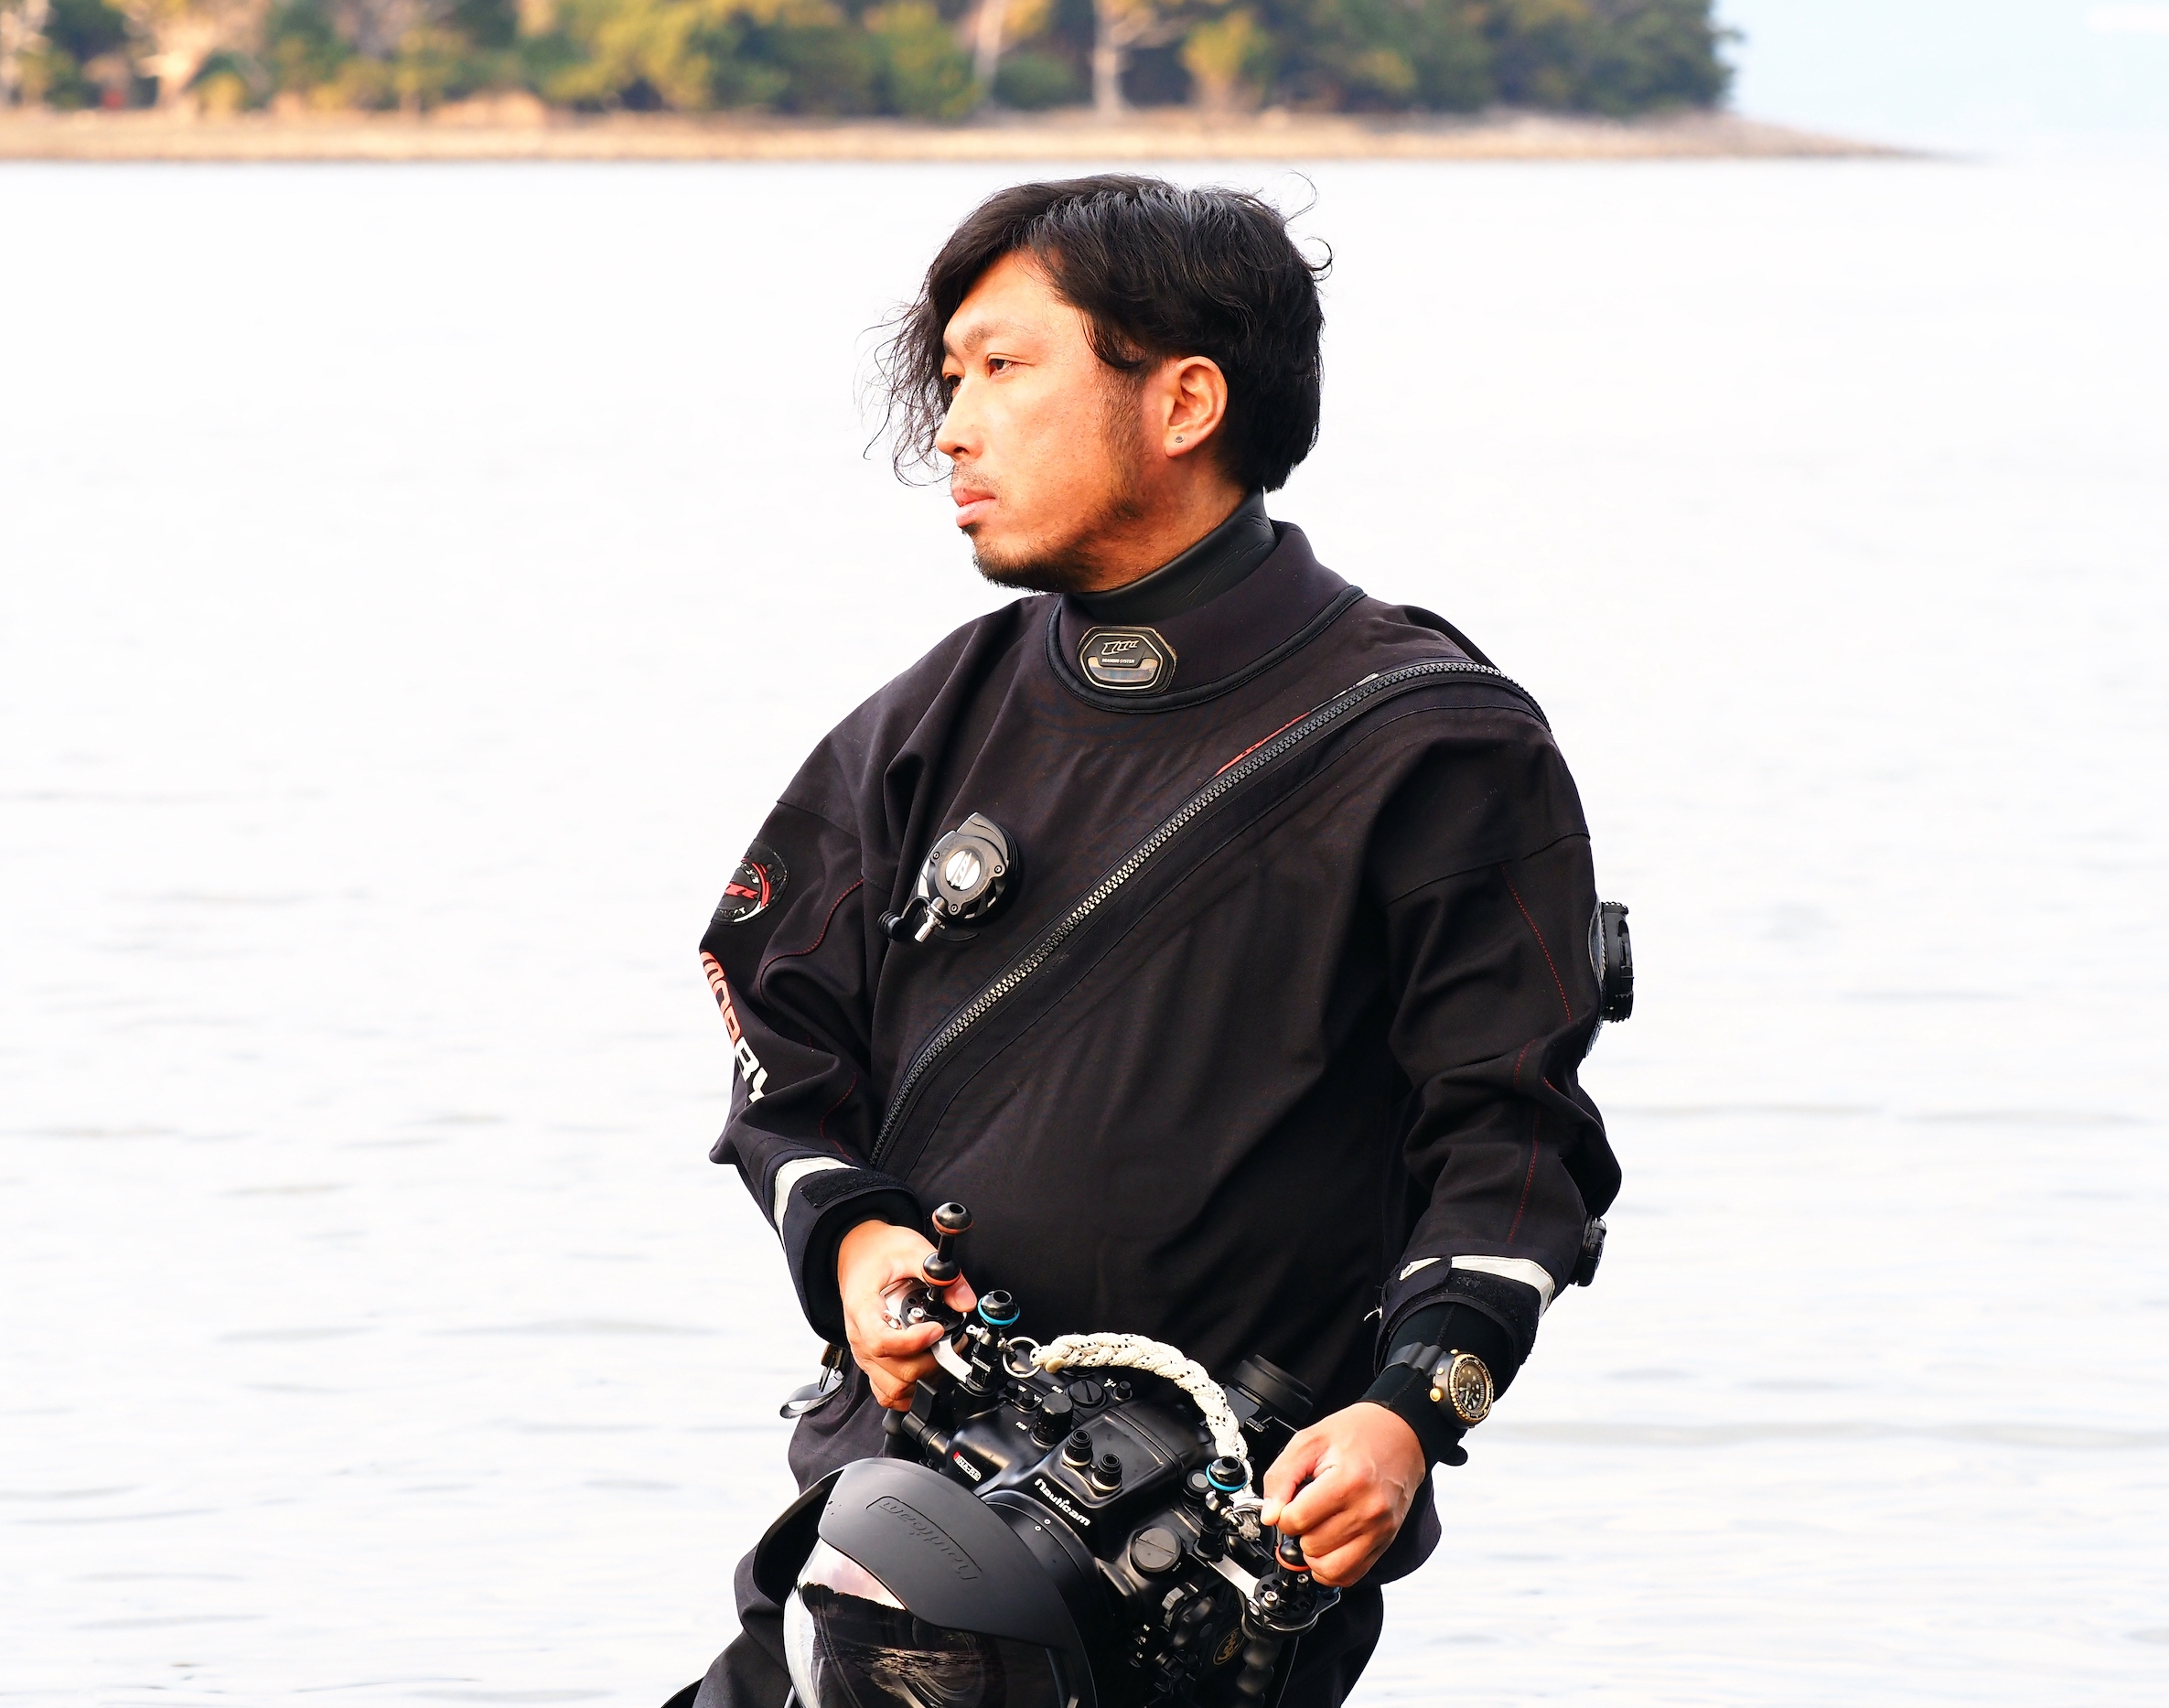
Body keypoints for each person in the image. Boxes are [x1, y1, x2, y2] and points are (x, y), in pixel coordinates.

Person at [682, 175, 1619, 1707]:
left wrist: (1404, 1418)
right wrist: (851, 1237)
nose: (952, 430)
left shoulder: (1435, 746)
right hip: (872, 1527)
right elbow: (775, 1026)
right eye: (950, 378)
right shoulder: (932, 718)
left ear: (1184, 402)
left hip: (1201, 1582)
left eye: (1003, 368)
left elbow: (1515, 1146)